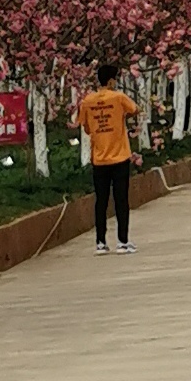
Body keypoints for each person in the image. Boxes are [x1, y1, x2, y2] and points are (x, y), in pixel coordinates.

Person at [76, 67, 139, 255]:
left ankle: (101, 243)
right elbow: (135, 109)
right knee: (121, 200)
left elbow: (86, 127)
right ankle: (123, 242)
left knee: (100, 201)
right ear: (111, 81)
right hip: (119, 157)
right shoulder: (118, 98)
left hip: (99, 158)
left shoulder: (87, 101)